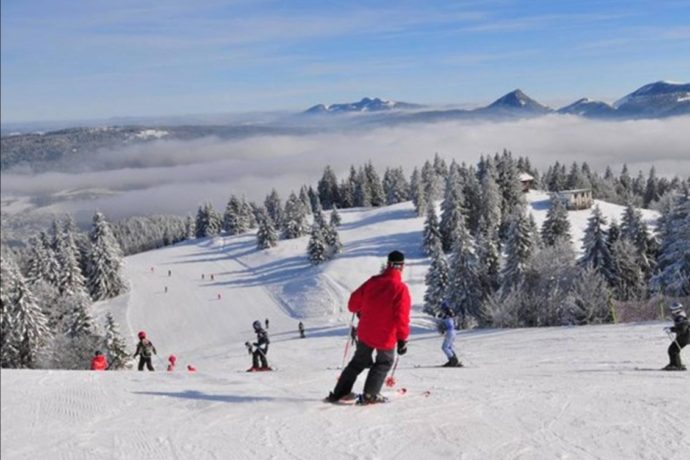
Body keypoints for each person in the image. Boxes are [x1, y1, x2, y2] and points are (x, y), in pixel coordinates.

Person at [326, 250, 411, 405]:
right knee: (384, 363)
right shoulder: (400, 289)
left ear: (389, 264)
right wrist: (402, 339)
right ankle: (371, 395)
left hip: (365, 332)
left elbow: (353, 303)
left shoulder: (373, 281)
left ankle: (339, 393)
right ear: (401, 266)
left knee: (358, 362)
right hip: (385, 336)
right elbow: (402, 317)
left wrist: (360, 310)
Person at [664, 302, 689, 371]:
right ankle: (674, 364)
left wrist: (671, 329)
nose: (671, 311)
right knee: (673, 349)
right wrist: (670, 328)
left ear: (676, 309)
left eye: (672, 309)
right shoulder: (680, 316)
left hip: (685, 337)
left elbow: (682, 329)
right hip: (684, 336)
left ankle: (676, 365)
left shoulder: (680, 317)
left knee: (673, 349)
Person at [439, 302, 462, 367]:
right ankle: (453, 360)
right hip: (453, 331)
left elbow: (445, 322)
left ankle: (453, 360)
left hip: (450, 331)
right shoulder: (451, 313)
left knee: (444, 347)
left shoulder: (447, 314)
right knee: (449, 347)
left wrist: (443, 328)